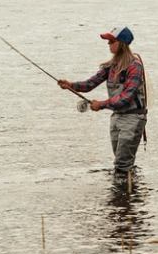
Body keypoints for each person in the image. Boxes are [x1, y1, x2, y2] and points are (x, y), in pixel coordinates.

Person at [59, 25, 148, 177]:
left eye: (111, 41)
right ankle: (127, 191)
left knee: (122, 164)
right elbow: (90, 84)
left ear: (122, 43)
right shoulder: (110, 66)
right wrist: (71, 85)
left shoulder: (135, 66)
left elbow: (126, 97)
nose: (108, 44)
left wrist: (101, 105)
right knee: (121, 162)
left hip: (133, 118)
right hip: (117, 117)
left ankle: (126, 193)